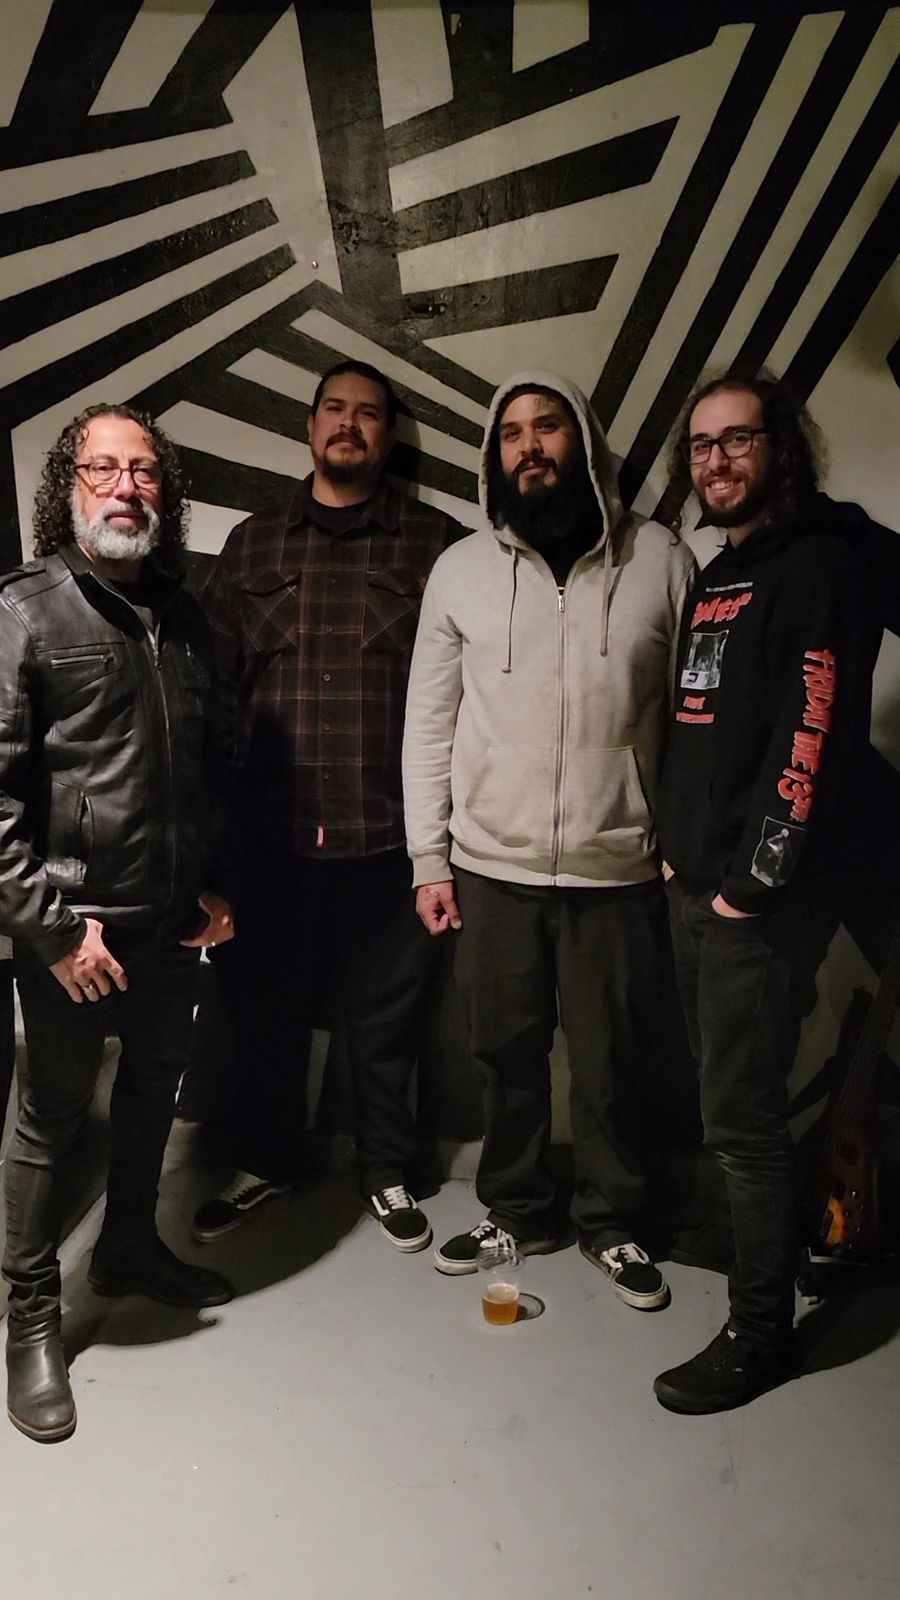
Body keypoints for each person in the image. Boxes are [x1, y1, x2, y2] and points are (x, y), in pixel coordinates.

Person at [402, 372, 695, 1308]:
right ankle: (518, 1210)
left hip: (621, 867)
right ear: (495, 456)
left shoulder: (661, 559)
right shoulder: (461, 570)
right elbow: (428, 723)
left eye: (549, 427)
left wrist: (681, 836)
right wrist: (428, 859)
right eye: (513, 433)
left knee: (612, 1067)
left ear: (584, 441)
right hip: (491, 868)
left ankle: (614, 1223)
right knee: (506, 1059)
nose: (530, 446)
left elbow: (695, 717)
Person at [191, 361, 466, 1252]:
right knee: (264, 1018)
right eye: (334, 410)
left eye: (369, 414)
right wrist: (211, 839)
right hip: (269, 844)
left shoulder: (437, 546)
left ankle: (385, 1171)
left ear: (388, 437)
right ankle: (269, 1159)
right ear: (310, 426)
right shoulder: (252, 546)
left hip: (391, 838)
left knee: (387, 1029)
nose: (349, 424)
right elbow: (214, 692)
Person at [0, 405, 235, 1443]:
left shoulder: (186, 614)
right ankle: (30, 1319)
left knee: (151, 1092)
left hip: (170, 925)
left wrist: (215, 886)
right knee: (51, 1118)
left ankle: (130, 1247)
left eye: (143, 470)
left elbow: (206, 767)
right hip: (71, 937)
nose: (125, 487)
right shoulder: (24, 611)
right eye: (103, 468)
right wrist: (54, 934)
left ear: (163, 493)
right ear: (71, 487)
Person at [653, 371, 883, 1413]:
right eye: (703, 446)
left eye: (738, 440)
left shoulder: (818, 566)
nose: (718, 460)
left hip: (754, 904)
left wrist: (752, 885)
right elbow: (702, 727)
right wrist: (677, 855)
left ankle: (760, 1333)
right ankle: (761, 1263)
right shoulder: (720, 572)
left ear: (780, 448)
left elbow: (811, 736)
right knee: (726, 1105)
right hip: (695, 887)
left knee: (741, 1122)